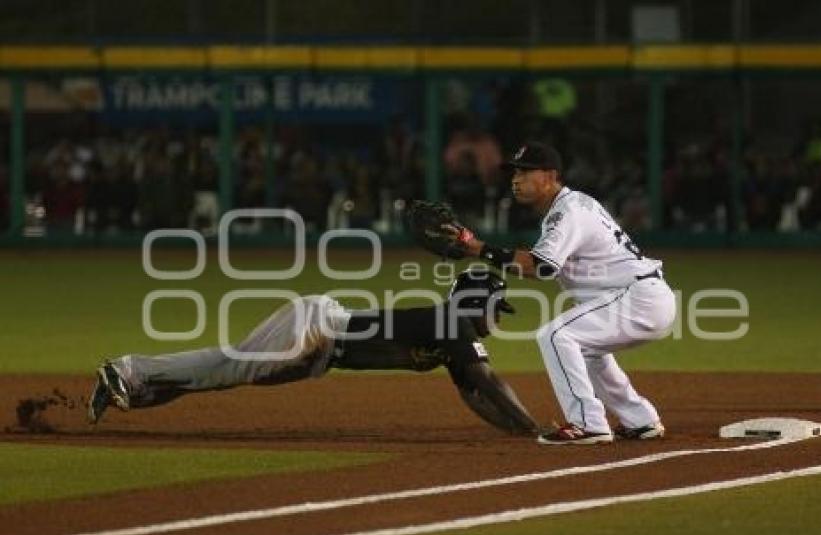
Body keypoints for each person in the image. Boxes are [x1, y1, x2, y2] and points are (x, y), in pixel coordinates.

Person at [88, 268, 538, 436]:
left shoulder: (451, 337)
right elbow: (488, 382)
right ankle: (127, 371)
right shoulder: (452, 323)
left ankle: (136, 387)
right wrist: (532, 428)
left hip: (320, 348)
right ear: (477, 301)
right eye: (498, 308)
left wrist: (515, 429)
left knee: (225, 370)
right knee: (228, 367)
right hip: (317, 329)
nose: (498, 319)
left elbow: (476, 395)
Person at [448, 141, 677, 445]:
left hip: (637, 297)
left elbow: (541, 268)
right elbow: (538, 267)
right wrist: (479, 251)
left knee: (557, 335)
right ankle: (640, 419)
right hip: (639, 297)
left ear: (551, 176)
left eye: (526, 172)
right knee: (589, 350)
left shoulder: (568, 211)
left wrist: (477, 249)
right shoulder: (570, 207)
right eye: (514, 172)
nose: (516, 179)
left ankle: (588, 425)